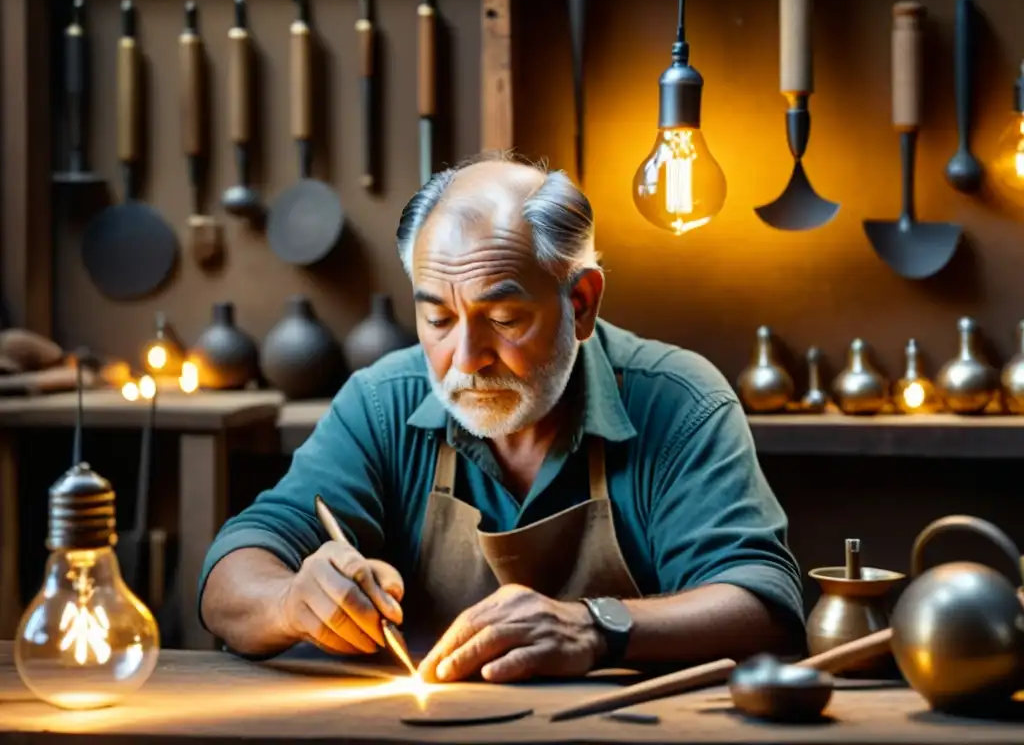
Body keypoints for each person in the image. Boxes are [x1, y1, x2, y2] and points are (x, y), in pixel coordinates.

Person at [199, 153, 804, 684]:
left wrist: (595, 628)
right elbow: (235, 567)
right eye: (437, 320)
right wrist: (290, 601)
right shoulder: (382, 402)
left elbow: (763, 604)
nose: (465, 360)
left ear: (582, 303)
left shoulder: (678, 402)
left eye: (505, 319)